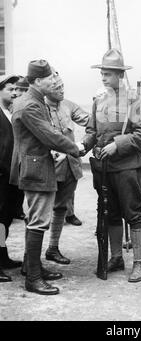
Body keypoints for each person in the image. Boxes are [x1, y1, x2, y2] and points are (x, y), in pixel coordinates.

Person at [10, 60, 82, 295]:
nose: (54, 80)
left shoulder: (32, 100)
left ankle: (34, 268)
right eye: (50, 77)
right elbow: (49, 135)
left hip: (37, 164)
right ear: (38, 81)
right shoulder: (30, 105)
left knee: (36, 218)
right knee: (38, 221)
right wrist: (76, 148)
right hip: (36, 168)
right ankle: (33, 278)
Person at [82, 49, 141, 282]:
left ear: (120, 75)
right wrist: (84, 145)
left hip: (128, 166)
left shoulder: (134, 100)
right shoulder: (99, 101)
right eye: (102, 73)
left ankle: (139, 263)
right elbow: (92, 131)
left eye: (108, 73)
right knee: (110, 213)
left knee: (132, 213)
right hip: (104, 168)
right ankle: (117, 257)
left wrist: (118, 144)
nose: (103, 77)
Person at [44, 74, 90, 265]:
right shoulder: (39, 108)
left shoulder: (68, 105)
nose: (62, 90)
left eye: (63, 86)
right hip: (48, 167)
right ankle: (30, 258)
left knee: (61, 207)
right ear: (46, 88)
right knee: (39, 212)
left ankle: (53, 248)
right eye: (57, 87)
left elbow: (91, 122)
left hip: (70, 166)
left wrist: (85, 143)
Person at [0, 74, 22, 283]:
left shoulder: (11, 112)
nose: (15, 93)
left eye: (17, 89)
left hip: (10, 177)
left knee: (4, 219)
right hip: (0, 175)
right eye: (10, 89)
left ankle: (3, 256)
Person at [12, 76, 29, 220]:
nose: (18, 92)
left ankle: (18, 209)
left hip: (20, 149)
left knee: (19, 182)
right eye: (16, 89)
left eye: (22, 89)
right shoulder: (9, 105)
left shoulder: (25, 105)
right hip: (8, 148)